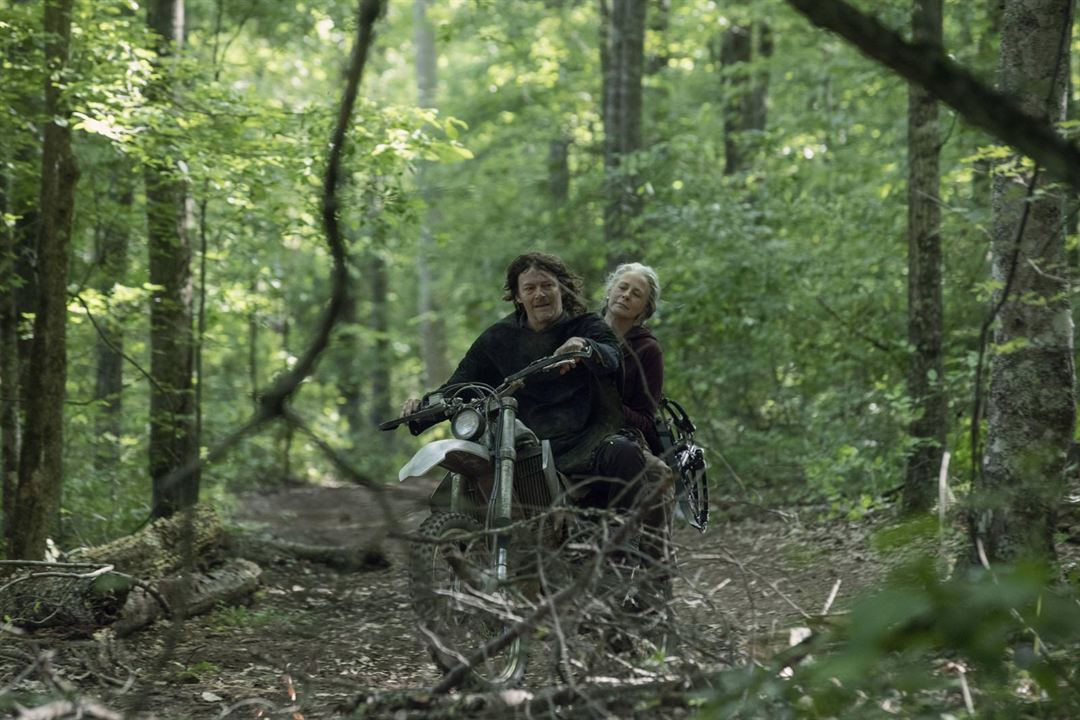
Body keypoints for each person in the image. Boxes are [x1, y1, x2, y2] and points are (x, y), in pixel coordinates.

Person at [400, 252, 645, 509]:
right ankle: (460, 544)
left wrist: (584, 346)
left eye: (547, 285)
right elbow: (460, 385)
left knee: (625, 453)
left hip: (584, 439)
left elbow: (612, 355)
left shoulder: (586, 325)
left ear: (562, 288)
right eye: (529, 288)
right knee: (454, 490)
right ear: (518, 296)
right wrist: (422, 409)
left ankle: (623, 543)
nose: (539, 294)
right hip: (522, 443)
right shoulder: (498, 338)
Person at [602, 262, 664, 454]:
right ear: (610, 291)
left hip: (621, 443)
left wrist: (603, 402)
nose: (626, 295)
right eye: (622, 287)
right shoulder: (580, 331)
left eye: (636, 294)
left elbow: (645, 421)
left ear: (644, 310)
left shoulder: (648, 349)